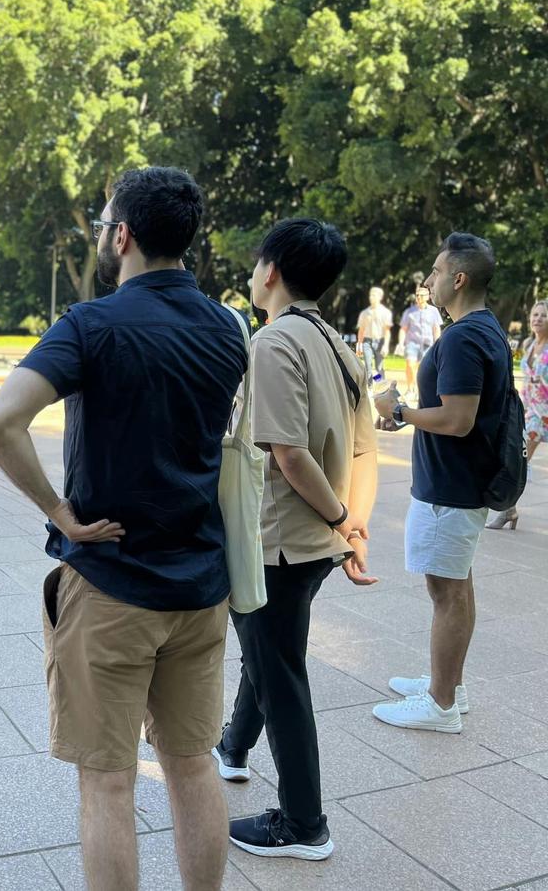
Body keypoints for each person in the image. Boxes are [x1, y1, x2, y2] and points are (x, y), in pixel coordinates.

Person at [0, 166, 245, 891]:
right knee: (193, 766)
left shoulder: (91, 324)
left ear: (122, 235)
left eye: (103, 223)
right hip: (200, 586)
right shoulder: (228, 327)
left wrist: (59, 513)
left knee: (108, 784)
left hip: (111, 587)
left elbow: (1, 423)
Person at [213, 219, 379, 862]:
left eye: (257, 264)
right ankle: (232, 747)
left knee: (280, 672)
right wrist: (353, 527)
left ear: (272, 270)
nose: (254, 275)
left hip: (282, 538)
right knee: (272, 652)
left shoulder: (275, 340)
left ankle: (304, 824)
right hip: (315, 539)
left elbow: (288, 453)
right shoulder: (338, 343)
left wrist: (342, 523)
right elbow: (365, 450)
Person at [373, 233, 510, 733]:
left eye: (434, 272)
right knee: (457, 586)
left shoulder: (463, 338)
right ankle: (448, 682)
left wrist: (400, 410)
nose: (427, 280)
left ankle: (441, 702)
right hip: (462, 482)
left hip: (451, 486)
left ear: (458, 278)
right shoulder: (483, 329)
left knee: (446, 591)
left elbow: (457, 420)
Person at [486, 299, 547, 529]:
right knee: (512, 460)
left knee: (514, 461)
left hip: (545, 413)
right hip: (530, 411)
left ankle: (507, 510)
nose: (538, 319)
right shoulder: (530, 343)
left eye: (543, 315)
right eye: (535, 314)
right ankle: (508, 510)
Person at [397, 286, 444, 397]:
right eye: (417, 295)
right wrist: (400, 343)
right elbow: (403, 329)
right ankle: (410, 389)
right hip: (412, 343)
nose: (418, 297)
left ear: (427, 297)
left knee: (423, 368)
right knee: (410, 364)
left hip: (428, 344)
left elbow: (436, 329)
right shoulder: (409, 312)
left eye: (421, 295)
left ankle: (420, 391)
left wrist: (437, 344)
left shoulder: (434, 311)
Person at [356, 286, 393, 384]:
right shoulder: (364, 313)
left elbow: (387, 331)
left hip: (380, 341)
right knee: (368, 366)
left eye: (374, 295)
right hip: (367, 341)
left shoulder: (385, 312)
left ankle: (380, 384)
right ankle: (370, 387)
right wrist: (359, 344)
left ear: (380, 297)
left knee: (379, 367)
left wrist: (386, 345)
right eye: (370, 295)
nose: (371, 297)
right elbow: (361, 330)